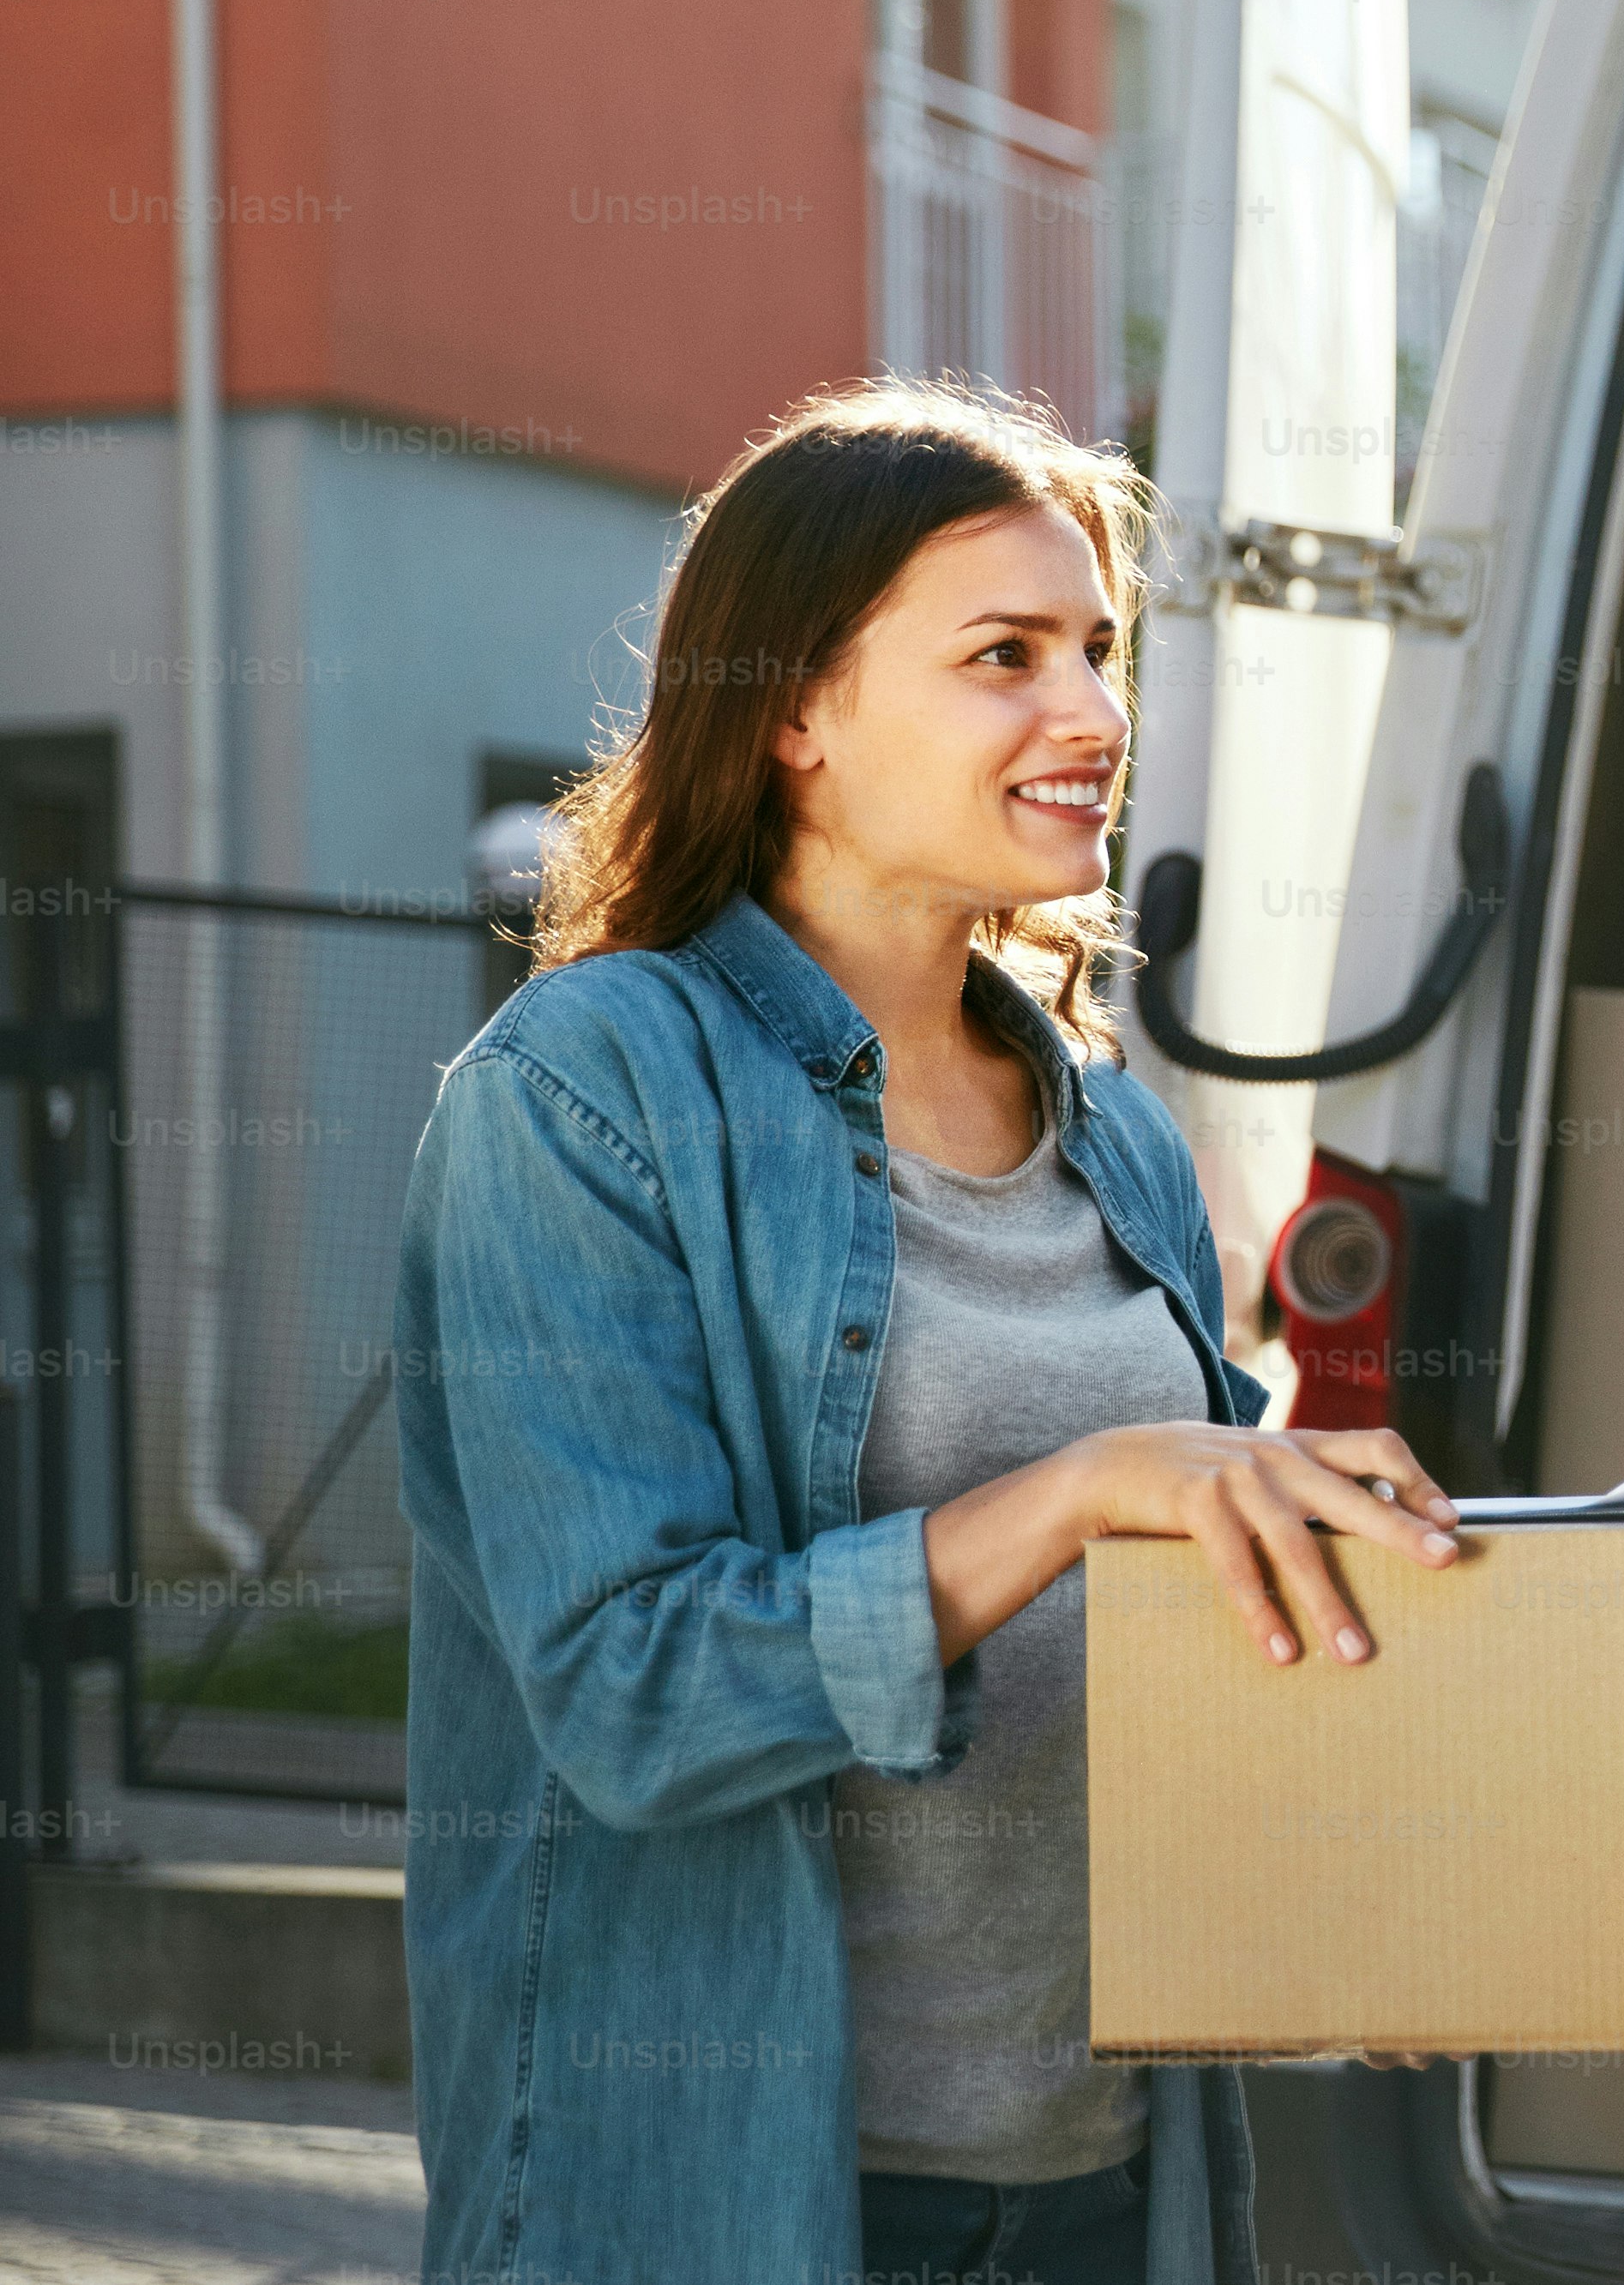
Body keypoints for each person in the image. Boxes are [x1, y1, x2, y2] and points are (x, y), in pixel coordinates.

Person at [394, 381, 1465, 2285]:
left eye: (1096, 650)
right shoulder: (585, 1094)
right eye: (1003, 656)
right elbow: (629, 1690)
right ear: (793, 710)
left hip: (1102, 2176)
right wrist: (1085, 1488)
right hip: (743, 2193)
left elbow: (1163, 1625)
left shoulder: (1108, 1122)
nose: (1090, 714)